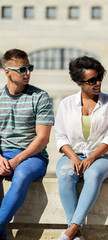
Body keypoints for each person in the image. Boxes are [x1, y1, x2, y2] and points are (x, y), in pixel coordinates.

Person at [55, 56, 108, 240]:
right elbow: (60, 137)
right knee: (66, 175)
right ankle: (77, 235)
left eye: (99, 78)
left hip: (101, 158)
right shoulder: (66, 104)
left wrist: (91, 158)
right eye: (92, 80)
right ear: (79, 83)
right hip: (71, 155)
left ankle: (71, 230)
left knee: (93, 174)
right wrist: (74, 157)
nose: (97, 83)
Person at [0, 49, 54, 240]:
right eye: (22, 69)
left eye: (29, 68)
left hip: (33, 156)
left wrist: (16, 160)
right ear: (7, 72)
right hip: (3, 154)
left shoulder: (40, 97)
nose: (27, 73)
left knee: (22, 174)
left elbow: (42, 139)